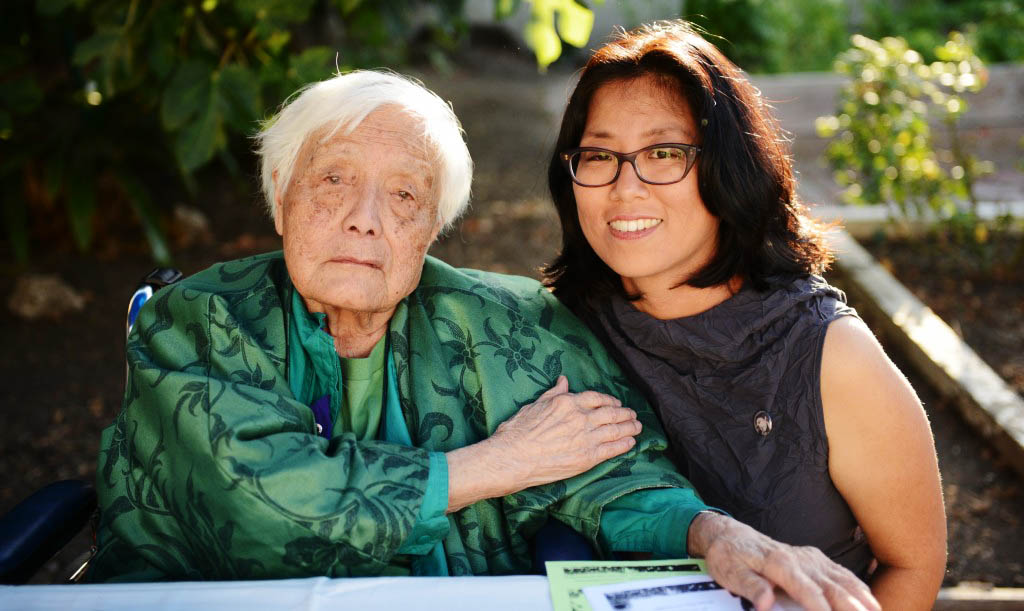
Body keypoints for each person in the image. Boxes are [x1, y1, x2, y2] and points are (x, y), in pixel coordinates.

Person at [90, 69, 876, 611]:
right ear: (282, 196)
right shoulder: (193, 323)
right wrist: (497, 463)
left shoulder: (500, 323)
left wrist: (715, 532)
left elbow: (614, 471)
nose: (365, 216)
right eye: (333, 179)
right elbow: (266, 512)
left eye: (403, 194)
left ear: (431, 230)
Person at [544, 20, 947, 608]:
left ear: (727, 168)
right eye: (600, 154)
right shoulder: (551, 329)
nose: (624, 187)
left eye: (663, 153)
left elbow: (914, 563)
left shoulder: (831, 356)